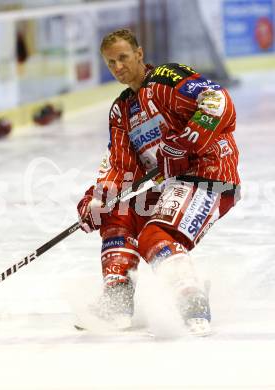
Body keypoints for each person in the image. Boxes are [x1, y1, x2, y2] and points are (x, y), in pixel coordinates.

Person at [76, 29, 240, 335]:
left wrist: (186, 142)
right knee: (115, 210)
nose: (118, 67)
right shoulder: (121, 109)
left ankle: (191, 298)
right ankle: (118, 297)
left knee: (155, 234)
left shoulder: (167, 79)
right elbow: (120, 165)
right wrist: (97, 198)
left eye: (123, 58)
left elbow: (218, 102)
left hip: (209, 174)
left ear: (139, 54)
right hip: (168, 183)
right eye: (111, 63)